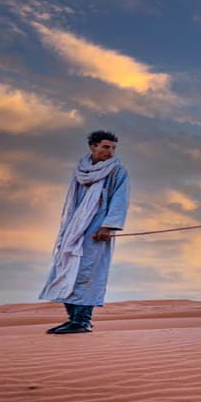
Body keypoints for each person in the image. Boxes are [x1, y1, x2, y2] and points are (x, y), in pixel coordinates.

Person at [39, 130, 129, 334]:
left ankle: (83, 321)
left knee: (88, 272)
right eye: (106, 147)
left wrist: (107, 226)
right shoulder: (81, 170)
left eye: (114, 148)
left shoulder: (117, 171)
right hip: (73, 230)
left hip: (97, 230)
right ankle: (73, 319)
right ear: (93, 147)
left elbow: (119, 200)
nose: (111, 152)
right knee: (66, 269)